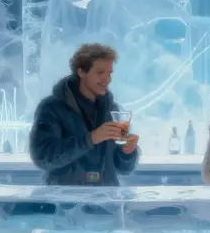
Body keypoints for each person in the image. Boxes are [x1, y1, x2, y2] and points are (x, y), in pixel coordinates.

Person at [29, 44, 140, 186]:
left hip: (107, 195)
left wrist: (127, 153)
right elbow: (42, 157)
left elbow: (123, 169)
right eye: (100, 72)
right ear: (81, 71)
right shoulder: (51, 107)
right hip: (65, 195)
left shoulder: (112, 109)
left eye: (109, 73)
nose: (107, 80)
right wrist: (90, 139)